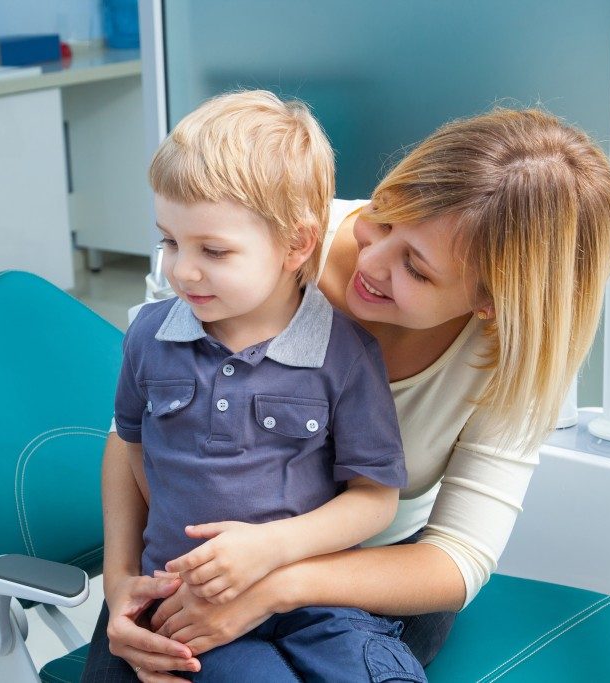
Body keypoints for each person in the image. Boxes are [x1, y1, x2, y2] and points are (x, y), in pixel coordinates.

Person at [87, 106, 610, 682]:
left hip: (369, 575)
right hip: (196, 568)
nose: (369, 261)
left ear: (489, 302)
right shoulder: (237, 234)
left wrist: (277, 583)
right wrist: (120, 582)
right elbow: (135, 435)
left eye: (416, 270)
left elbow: (459, 556)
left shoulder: (509, 354)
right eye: (384, 217)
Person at [88, 90, 426, 681]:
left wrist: (271, 550)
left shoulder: (345, 353)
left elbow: (375, 499)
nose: (181, 270)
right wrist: (139, 575)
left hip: (318, 600)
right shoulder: (148, 336)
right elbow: (133, 447)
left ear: (296, 245)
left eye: (213, 250)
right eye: (169, 241)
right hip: (195, 604)